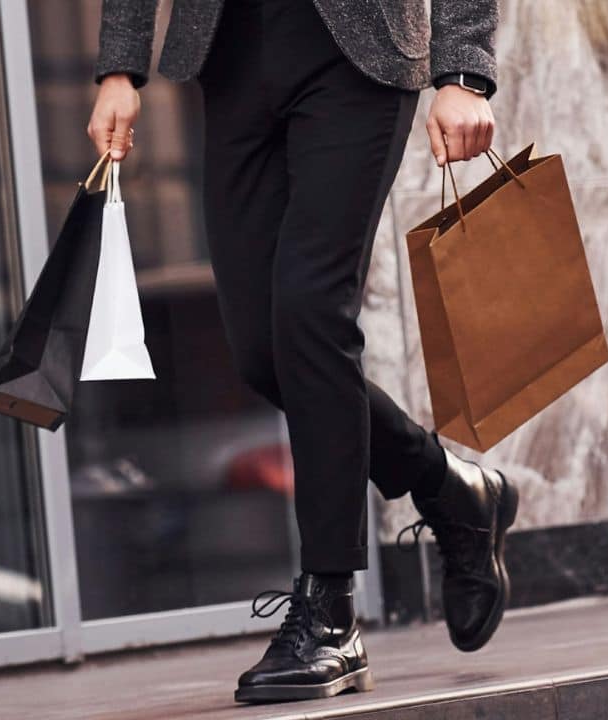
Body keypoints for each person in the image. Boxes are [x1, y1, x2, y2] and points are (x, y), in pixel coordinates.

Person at [89, 0, 518, 703]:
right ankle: (452, 486)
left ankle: (330, 611)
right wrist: (119, 66)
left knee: (313, 315)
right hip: (228, 51)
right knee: (262, 351)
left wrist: (463, 70)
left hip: (357, 53)